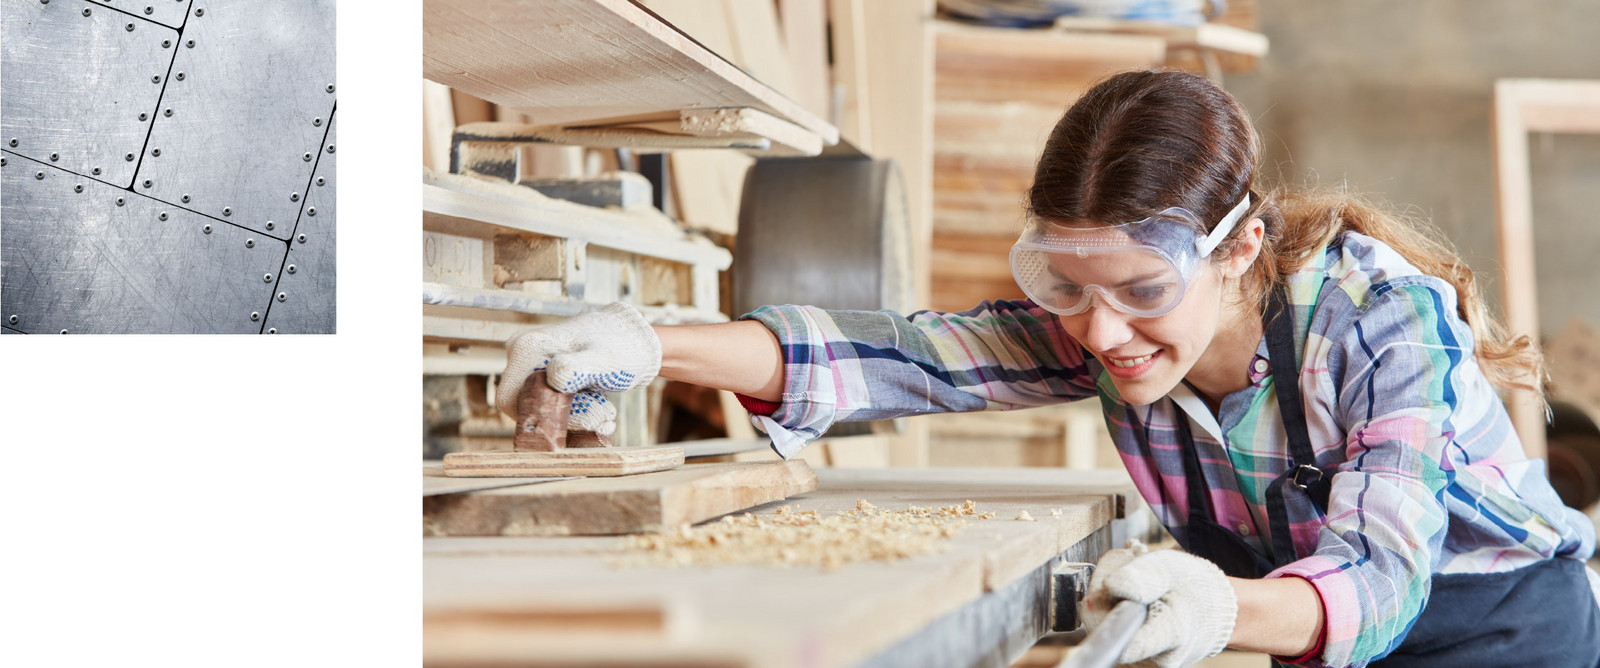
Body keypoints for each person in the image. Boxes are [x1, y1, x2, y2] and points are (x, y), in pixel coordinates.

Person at [494, 70, 1600, 667]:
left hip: (1502, 626)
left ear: (1242, 247)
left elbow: (1381, 575)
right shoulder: (1095, 321)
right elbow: (898, 353)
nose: (1100, 332)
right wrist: (649, 340)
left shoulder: (1376, 320)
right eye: (1067, 284)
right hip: (1304, 627)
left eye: (1142, 291)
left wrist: (1219, 609)